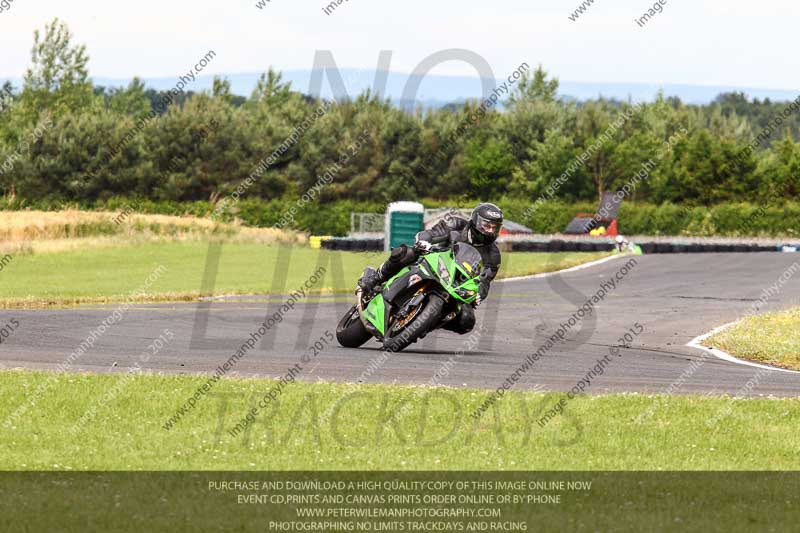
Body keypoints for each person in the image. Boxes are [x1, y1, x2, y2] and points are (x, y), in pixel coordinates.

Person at [358, 203, 504, 334]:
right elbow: (432, 233)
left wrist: (478, 295)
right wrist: (424, 241)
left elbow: (485, 281)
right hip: (432, 260)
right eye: (487, 225)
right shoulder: (455, 224)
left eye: (495, 227)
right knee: (405, 253)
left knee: (467, 320)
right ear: (476, 221)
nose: (490, 231)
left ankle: (427, 321)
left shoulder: (493, 255)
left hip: (455, 284)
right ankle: (376, 278)